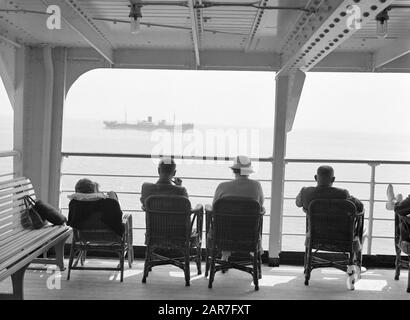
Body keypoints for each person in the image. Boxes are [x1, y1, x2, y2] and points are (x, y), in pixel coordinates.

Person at [212, 155, 264, 261]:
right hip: (248, 234)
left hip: (224, 234)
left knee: (225, 221)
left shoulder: (222, 186)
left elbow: (214, 208)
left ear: (234, 170)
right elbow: (260, 206)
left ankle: (225, 255)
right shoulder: (256, 186)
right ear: (249, 171)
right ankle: (253, 256)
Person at [296, 165, 364, 213]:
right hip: (338, 232)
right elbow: (360, 207)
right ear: (333, 179)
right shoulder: (342, 194)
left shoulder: (305, 192)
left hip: (314, 232)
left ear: (316, 178)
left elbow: (298, 204)